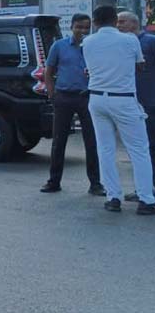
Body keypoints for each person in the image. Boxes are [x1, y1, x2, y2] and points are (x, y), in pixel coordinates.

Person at [82, 5, 155, 214]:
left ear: (94, 22)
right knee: (139, 150)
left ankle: (113, 197)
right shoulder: (130, 39)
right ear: (116, 20)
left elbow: (90, 69)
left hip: (96, 99)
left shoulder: (87, 42)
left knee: (105, 149)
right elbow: (140, 66)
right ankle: (146, 200)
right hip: (123, 99)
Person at [40, 14, 103, 195]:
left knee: (91, 142)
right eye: (79, 27)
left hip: (88, 98)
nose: (83, 31)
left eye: (86, 27)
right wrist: (52, 94)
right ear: (72, 27)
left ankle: (95, 184)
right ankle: (54, 182)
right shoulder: (59, 46)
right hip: (64, 97)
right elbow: (49, 71)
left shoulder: (93, 46)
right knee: (59, 141)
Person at [117, 11, 155, 202]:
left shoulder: (149, 41)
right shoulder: (122, 44)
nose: (118, 25)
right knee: (137, 148)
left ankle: (149, 189)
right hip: (130, 103)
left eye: (122, 21)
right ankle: (143, 188)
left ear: (134, 23)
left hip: (150, 103)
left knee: (150, 145)